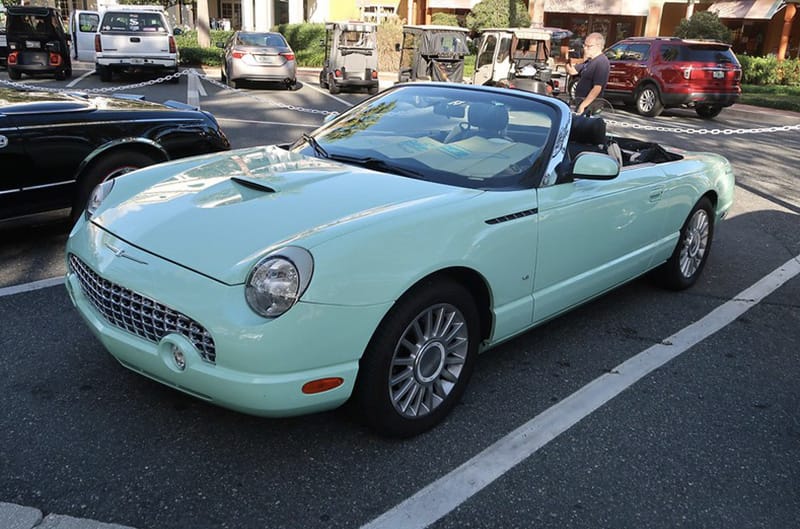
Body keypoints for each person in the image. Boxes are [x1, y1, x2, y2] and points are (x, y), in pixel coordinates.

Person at [565, 32, 610, 115]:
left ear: (598, 46)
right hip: (581, 103)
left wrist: (583, 105)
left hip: (590, 107)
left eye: (588, 46)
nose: (585, 48)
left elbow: (597, 88)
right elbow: (572, 71)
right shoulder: (589, 61)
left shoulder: (602, 62)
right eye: (584, 45)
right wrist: (567, 61)